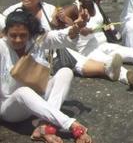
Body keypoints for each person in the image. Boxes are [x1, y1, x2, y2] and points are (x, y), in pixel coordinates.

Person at [2, 0, 123, 84]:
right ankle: (110, 69)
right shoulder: (11, 13)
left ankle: (111, 70)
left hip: (52, 49)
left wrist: (65, 21)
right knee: (68, 66)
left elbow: (60, 31)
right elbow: (3, 37)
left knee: (76, 59)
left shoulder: (49, 9)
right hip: (27, 56)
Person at [0, 9, 93, 143]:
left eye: (23, 35)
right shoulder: (2, 47)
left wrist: (77, 26)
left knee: (66, 72)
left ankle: (45, 125)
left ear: (30, 34)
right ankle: (71, 124)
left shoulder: (36, 40)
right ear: (5, 33)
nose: (18, 40)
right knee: (23, 92)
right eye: (13, 35)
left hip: (38, 99)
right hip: (11, 108)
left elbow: (60, 36)